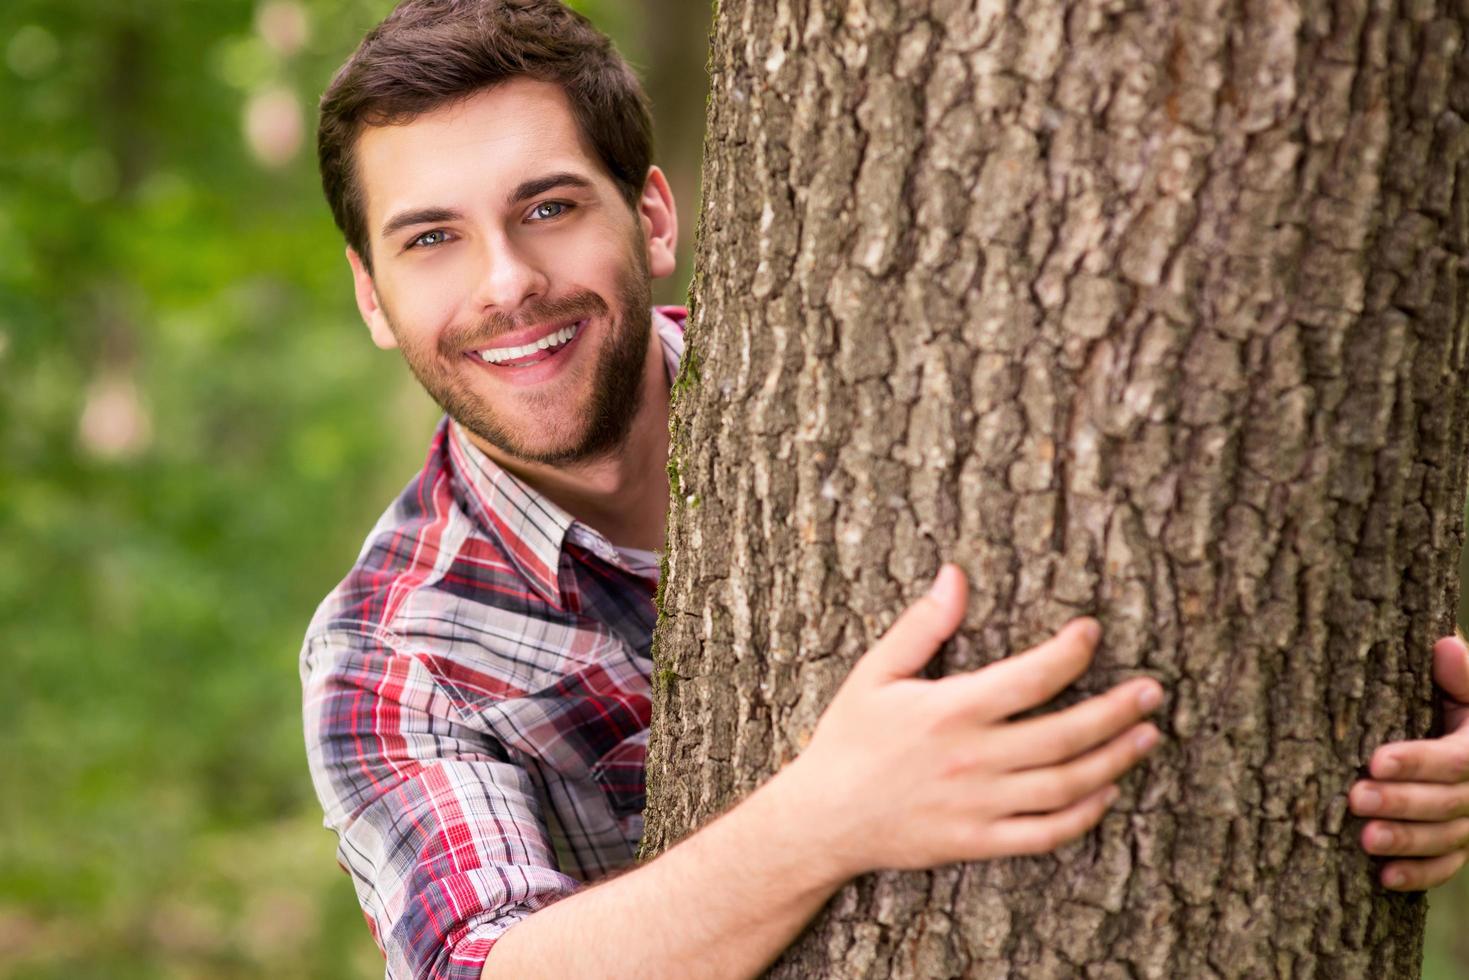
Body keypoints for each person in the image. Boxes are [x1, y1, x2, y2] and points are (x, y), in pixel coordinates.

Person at [301, 1, 1469, 977]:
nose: (506, 282)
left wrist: (1404, 741)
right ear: (369, 293)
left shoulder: (855, 375)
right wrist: (821, 821)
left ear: (649, 214)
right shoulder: (392, 652)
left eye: (547, 207)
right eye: (430, 240)